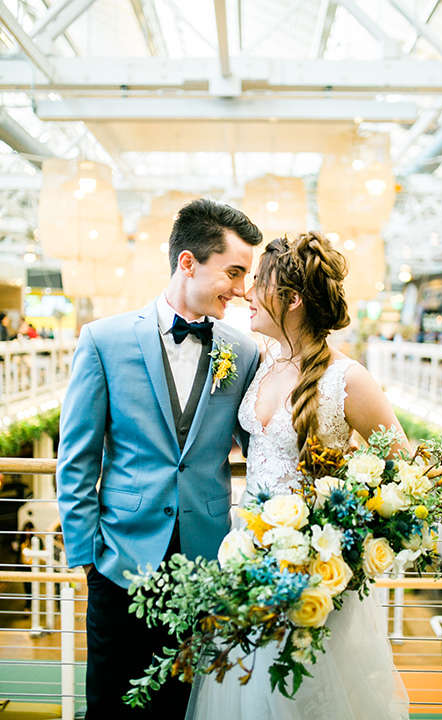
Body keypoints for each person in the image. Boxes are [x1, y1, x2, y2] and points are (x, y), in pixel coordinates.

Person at [187, 231, 410, 720]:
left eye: (258, 283)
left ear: (291, 300)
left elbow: (405, 472)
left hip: (310, 571)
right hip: (246, 551)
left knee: (299, 694)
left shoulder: (348, 379)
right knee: (244, 687)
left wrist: (338, 537)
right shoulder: (260, 362)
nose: (244, 293)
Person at [56, 198, 263, 720]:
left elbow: (261, 446)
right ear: (188, 262)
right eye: (234, 272)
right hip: (120, 561)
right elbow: (76, 458)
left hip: (208, 560)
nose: (241, 290)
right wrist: (86, 558)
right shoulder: (103, 341)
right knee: (111, 702)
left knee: (191, 703)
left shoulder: (244, 351)